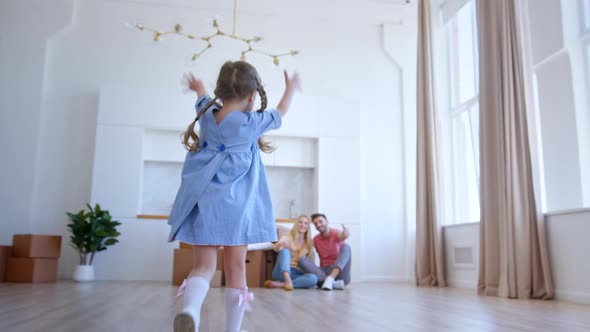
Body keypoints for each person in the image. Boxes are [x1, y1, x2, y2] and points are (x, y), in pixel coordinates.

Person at [167, 61, 301, 332]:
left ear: (222, 90)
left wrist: (198, 86)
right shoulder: (250, 123)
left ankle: (191, 311)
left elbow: (203, 97)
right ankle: (233, 330)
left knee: (203, 267)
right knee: (236, 269)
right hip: (237, 211)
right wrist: (290, 89)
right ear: (252, 95)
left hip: (204, 205)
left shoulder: (207, 115)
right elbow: (281, 111)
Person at [298, 213, 352, 291]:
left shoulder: (335, 232)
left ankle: (330, 279)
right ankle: (332, 283)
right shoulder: (316, 239)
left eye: (320, 221)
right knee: (302, 260)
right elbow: (306, 250)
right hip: (324, 273)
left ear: (327, 221)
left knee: (346, 247)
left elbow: (342, 235)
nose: (319, 225)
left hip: (340, 273)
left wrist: (346, 234)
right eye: (316, 224)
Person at [264, 215, 318, 290]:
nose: (303, 225)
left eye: (306, 223)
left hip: (296, 274)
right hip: (281, 272)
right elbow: (275, 248)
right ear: (296, 224)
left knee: (313, 278)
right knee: (284, 251)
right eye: (300, 222)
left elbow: (310, 263)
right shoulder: (288, 236)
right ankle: (287, 280)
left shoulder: (309, 243)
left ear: (308, 226)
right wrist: (281, 243)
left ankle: (282, 285)